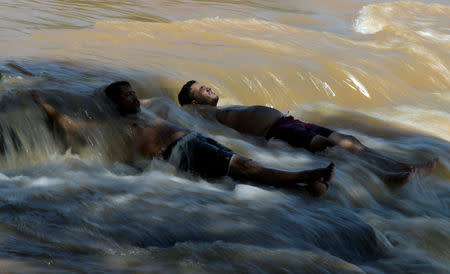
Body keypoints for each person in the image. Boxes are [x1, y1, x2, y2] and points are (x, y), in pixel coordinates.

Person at [31, 81, 335, 197]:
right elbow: (71, 125)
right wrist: (42, 103)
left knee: (242, 172)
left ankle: (304, 187)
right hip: (179, 151)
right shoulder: (115, 125)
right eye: (126, 95)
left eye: (134, 91)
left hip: (194, 141)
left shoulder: (147, 110)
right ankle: (305, 176)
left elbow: (160, 102)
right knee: (242, 168)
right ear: (115, 104)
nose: (134, 96)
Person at [177, 80, 439, 185]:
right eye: (201, 89)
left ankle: (403, 167)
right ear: (194, 103)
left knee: (349, 141)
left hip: (290, 122)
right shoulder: (199, 114)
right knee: (329, 145)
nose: (208, 87)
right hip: (277, 130)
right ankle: (386, 178)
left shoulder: (219, 108)